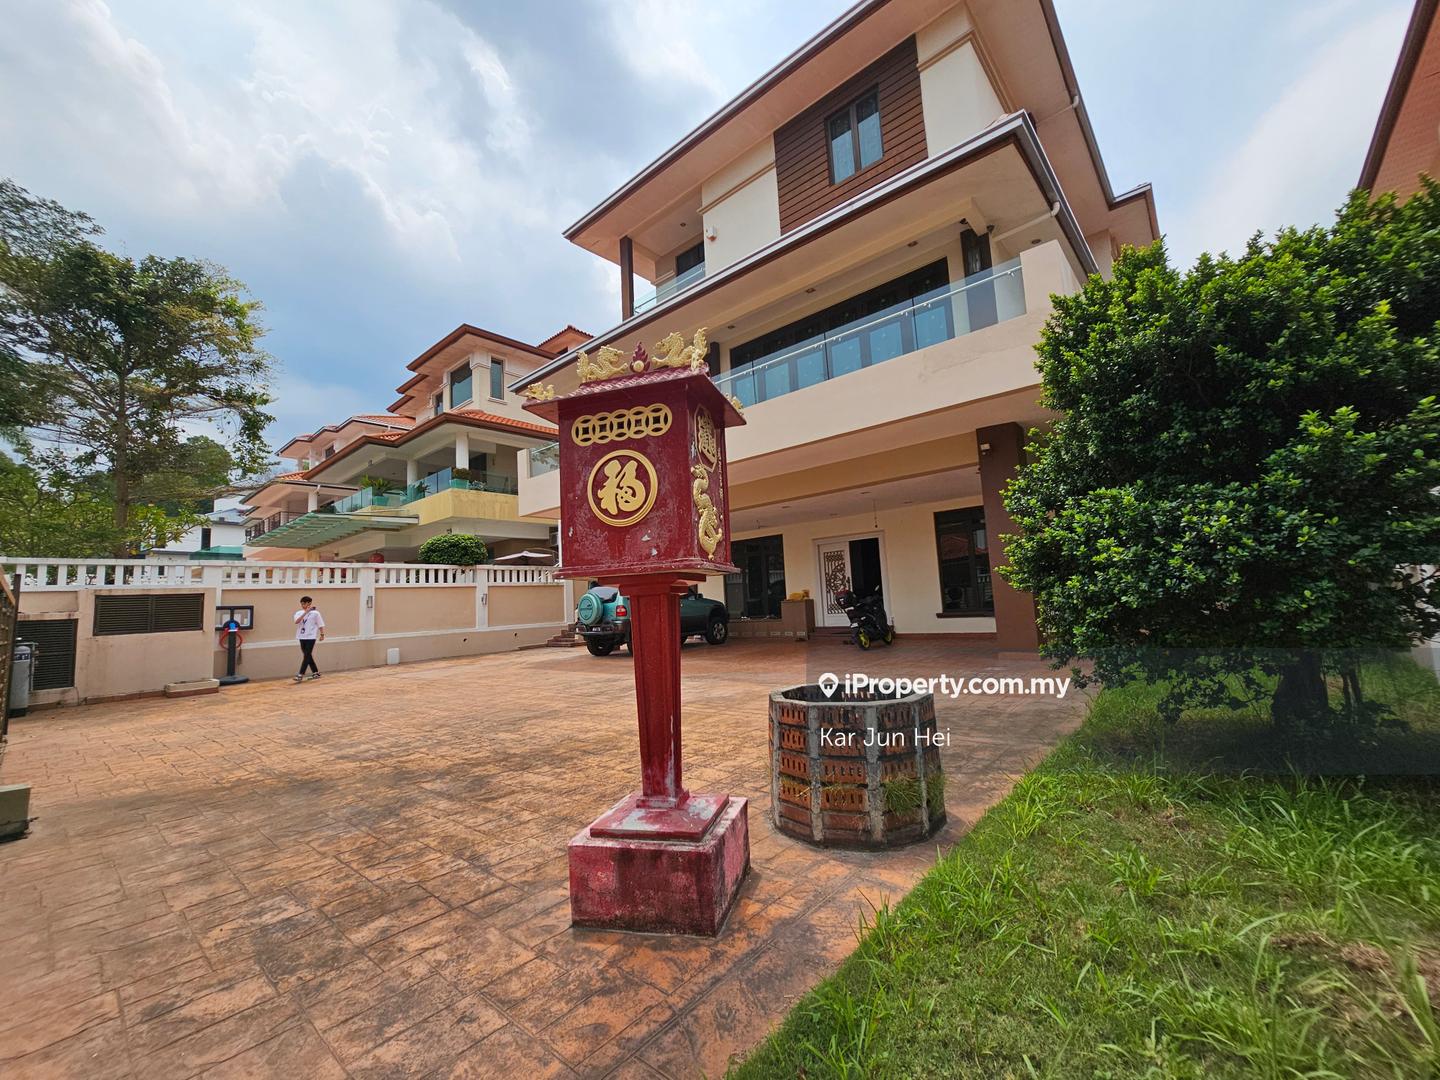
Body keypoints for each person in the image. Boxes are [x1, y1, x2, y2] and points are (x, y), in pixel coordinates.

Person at [293, 595, 326, 682]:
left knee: (307, 655)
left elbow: (320, 624)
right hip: (301, 636)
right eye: (302, 603)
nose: (302, 605)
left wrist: (322, 634)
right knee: (307, 655)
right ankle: (316, 672)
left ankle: (300, 674)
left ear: (309, 603)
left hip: (311, 637)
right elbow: (297, 622)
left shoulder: (316, 613)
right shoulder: (298, 613)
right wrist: (305, 612)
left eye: (304, 603)